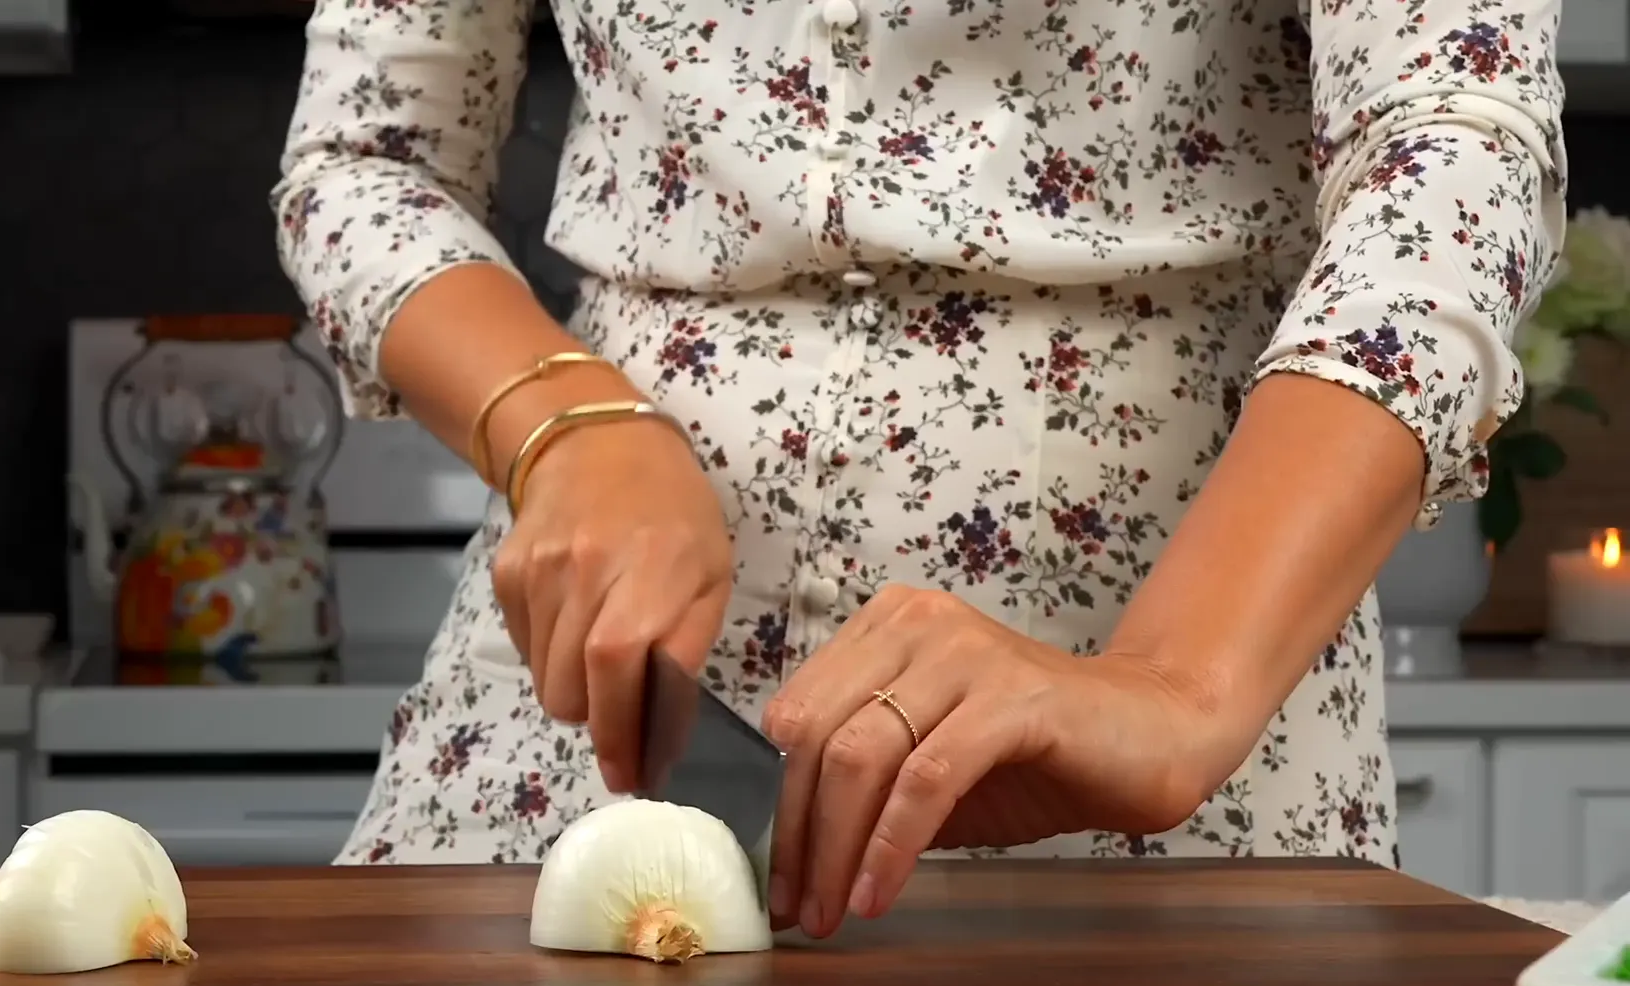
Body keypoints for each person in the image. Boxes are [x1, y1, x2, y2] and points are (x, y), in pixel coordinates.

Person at [273, 0, 1565, 937]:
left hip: (1161, 719)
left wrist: (1177, 680)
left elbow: (1454, 140)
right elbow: (364, 160)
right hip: (597, 702)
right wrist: (563, 423)